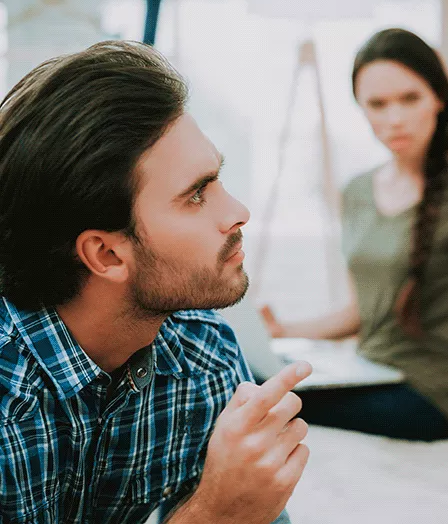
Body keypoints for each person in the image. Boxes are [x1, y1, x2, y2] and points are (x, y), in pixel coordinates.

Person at [0, 41, 311, 524]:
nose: (238, 212)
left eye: (218, 180)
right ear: (105, 254)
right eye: (196, 196)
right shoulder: (8, 400)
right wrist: (212, 514)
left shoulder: (202, 351)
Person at [262, 28, 448, 441]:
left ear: (438, 100)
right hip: (366, 374)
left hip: (435, 395)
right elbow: (360, 313)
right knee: (249, 376)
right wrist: (284, 331)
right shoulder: (356, 192)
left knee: (267, 400)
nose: (394, 118)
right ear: (362, 109)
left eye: (409, 99)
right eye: (377, 104)